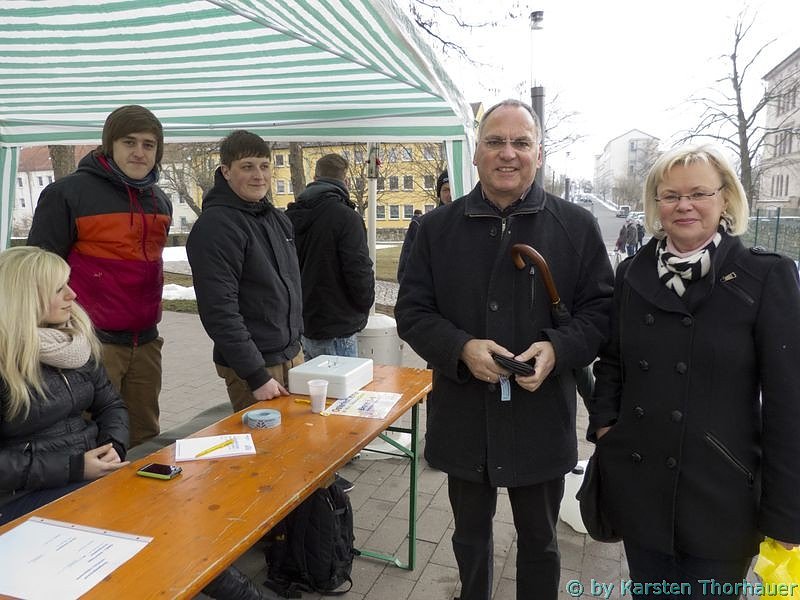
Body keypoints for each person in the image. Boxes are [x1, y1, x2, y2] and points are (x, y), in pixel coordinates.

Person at [394, 99, 614, 600]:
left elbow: (601, 313)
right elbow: (411, 312)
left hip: (540, 418)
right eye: (495, 142)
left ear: (539, 154)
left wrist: (558, 349)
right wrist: (461, 347)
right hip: (464, 413)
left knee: (540, 540)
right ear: (475, 154)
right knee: (470, 538)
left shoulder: (574, 227)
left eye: (521, 142)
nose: (507, 153)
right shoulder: (434, 229)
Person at [589, 145, 800, 598]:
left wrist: (787, 516)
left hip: (721, 495)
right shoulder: (632, 273)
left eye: (699, 193)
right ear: (656, 205)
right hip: (642, 485)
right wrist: (606, 428)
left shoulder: (766, 277)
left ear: (725, 199)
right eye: (670, 196)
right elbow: (612, 361)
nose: (684, 205)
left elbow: (789, 403)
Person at [27, 105, 172, 448]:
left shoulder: (160, 200)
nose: (139, 152)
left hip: (146, 341)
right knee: (90, 440)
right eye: (129, 142)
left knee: (144, 439)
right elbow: (38, 272)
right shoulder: (67, 194)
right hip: (91, 343)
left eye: (149, 145)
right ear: (110, 145)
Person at [0, 246, 129, 525]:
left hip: (84, 475)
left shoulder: (74, 344)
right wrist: (74, 468)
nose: (73, 294)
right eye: (59, 289)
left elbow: (110, 404)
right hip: (21, 495)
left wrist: (114, 443)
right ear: (26, 299)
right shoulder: (5, 359)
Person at [186, 130, 303, 413]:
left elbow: (289, 286)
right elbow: (219, 311)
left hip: (290, 354)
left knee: (300, 444)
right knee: (266, 451)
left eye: (264, 166)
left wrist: (298, 344)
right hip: (255, 365)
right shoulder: (216, 227)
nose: (258, 176)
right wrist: (255, 375)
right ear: (226, 171)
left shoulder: (275, 219)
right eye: (247, 167)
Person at [286, 153, 374, 360]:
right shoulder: (346, 217)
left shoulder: (289, 216)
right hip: (338, 323)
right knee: (341, 389)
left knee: (314, 389)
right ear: (345, 182)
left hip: (303, 321)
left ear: (315, 179)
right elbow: (359, 270)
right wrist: (363, 307)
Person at [397, 169, 451, 282]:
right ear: (439, 194)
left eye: (453, 189)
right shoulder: (420, 225)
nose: (450, 195)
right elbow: (405, 270)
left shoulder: (472, 223)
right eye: (446, 190)